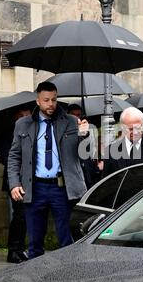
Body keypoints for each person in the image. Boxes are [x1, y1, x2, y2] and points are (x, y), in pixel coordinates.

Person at [8, 81, 89, 259]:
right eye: (46, 100)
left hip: (62, 188)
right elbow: (14, 156)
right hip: (35, 188)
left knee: (66, 240)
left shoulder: (71, 122)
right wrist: (14, 183)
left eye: (54, 99)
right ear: (38, 101)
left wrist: (85, 136)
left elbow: (85, 155)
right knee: (35, 242)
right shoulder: (23, 124)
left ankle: (66, 278)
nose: (51, 104)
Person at [0, 107, 31, 263]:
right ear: (18, 116)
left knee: (24, 217)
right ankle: (13, 250)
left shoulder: (29, 131)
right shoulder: (9, 133)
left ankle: (20, 248)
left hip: (28, 181)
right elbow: (4, 157)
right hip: (15, 181)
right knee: (19, 216)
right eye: (25, 115)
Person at [103, 107, 143, 177]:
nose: (135, 132)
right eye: (130, 129)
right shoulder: (110, 151)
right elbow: (106, 182)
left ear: (142, 125)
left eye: (137, 128)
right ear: (122, 127)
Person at [66, 104, 101, 189]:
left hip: (87, 168)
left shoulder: (88, 129)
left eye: (78, 115)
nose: (76, 118)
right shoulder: (65, 129)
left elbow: (93, 149)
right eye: (73, 115)